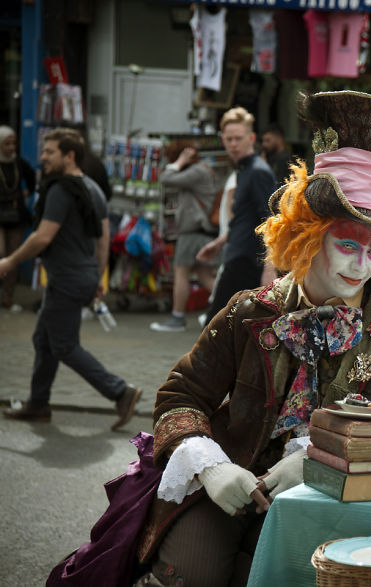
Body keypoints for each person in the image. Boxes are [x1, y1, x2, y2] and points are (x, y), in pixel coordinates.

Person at [126, 91, 371, 586]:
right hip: (228, 486)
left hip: (332, 497)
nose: (361, 265)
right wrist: (210, 469)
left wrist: (320, 465)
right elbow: (181, 397)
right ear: (309, 236)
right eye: (348, 244)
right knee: (196, 572)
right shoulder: (251, 311)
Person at [0, 128, 141, 428]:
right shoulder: (92, 188)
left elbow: (42, 237)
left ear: (69, 155)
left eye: (49, 152)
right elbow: (103, 239)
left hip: (66, 279)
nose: (42, 157)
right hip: (83, 276)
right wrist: (98, 279)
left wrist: (10, 261)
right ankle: (38, 404)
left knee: (63, 345)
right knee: (44, 339)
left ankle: (120, 392)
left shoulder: (60, 189)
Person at [197, 106, 276, 325]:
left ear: (251, 138)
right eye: (229, 139)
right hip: (238, 256)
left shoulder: (258, 171)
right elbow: (244, 216)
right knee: (229, 330)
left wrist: (270, 269)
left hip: (248, 261)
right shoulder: (245, 170)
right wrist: (221, 242)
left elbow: (269, 220)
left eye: (238, 138)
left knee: (215, 327)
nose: (233, 144)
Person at [150, 142, 220, 332]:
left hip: (192, 232)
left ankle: (177, 317)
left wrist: (180, 161)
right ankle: (231, 307)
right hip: (200, 230)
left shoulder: (196, 171)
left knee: (181, 272)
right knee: (204, 274)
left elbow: (165, 178)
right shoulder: (203, 169)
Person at [0, 125, 36, 310]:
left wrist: (26, 192)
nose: (11, 148)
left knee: (13, 256)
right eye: (7, 144)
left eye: (13, 143)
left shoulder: (19, 163)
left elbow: (32, 179)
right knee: (1, 252)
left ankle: (8, 296)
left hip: (15, 214)